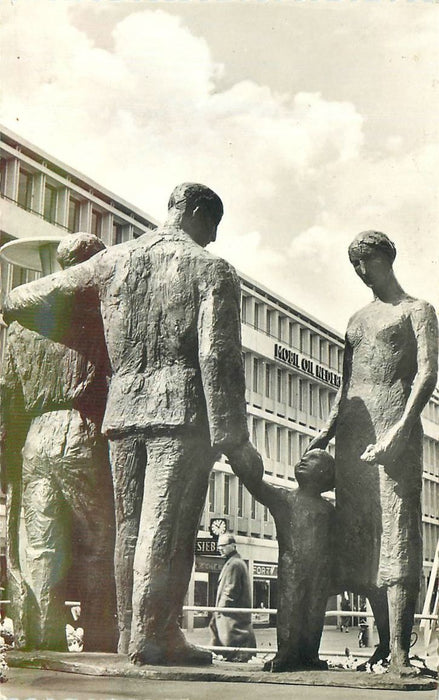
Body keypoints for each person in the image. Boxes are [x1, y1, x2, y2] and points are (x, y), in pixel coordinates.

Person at [3, 183, 263, 666]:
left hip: (122, 413)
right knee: (167, 526)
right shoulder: (212, 269)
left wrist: (84, 318)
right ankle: (153, 636)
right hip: (182, 411)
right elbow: (216, 353)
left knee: (129, 530)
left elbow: (18, 298)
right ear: (200, 214)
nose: (213, 240)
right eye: (213, 228)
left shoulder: (113, 261)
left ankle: (129, 634)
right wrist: (233, 437)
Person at [308, 231, 438, 676]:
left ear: (387, 257)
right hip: (353, 433)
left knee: (397, 534)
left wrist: (402, 428)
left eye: (366, 262)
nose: (361, 273)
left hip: (392, 427)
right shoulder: (356, 320)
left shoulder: (416, 311)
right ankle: (384, 646)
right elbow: (344, 385)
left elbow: (427, 373)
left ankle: (401, 651)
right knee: (361, 540)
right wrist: (326, 432)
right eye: (354, 265)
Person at [0, 233, 118, 653]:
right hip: (85, 428)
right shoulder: (101, 315)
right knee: (100, 542)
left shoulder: (21, 325)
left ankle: (39, 638)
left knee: (40, 547)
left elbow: (7, 394)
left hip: (35, 437)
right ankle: (102, 639)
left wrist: (10, 458)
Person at [233, 448, 335, 671]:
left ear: (325, 473)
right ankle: (286, 653)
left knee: (315, 610)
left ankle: (310, 654)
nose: (302, 461)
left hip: (321, 569)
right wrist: (240, 462)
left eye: (311, 460)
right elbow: (257, 486)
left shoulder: (329, 509)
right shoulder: (285, 499)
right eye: (302, 457)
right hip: (293, 565)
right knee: (290, 606)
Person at [209, 533, 256, 661]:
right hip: (232, 615)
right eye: (218, 546)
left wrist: (220, 610)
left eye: (223, 546)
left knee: (232, 640)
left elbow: (230, 589)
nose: (219, 549)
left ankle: (233, 657)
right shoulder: (235, 562)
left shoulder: (234, 564)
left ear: (233, 546)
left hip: (231, 616)